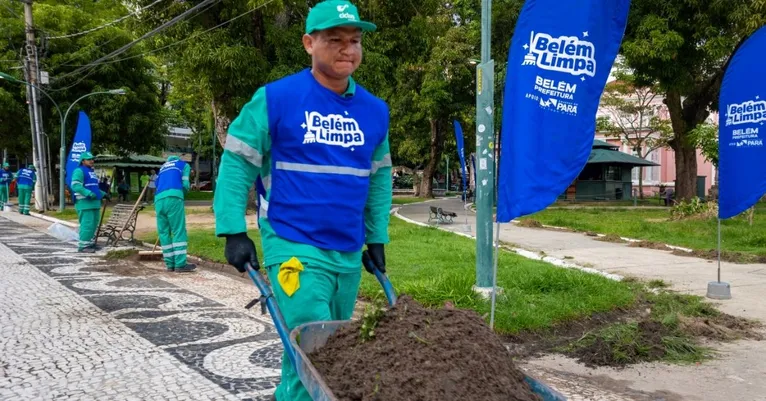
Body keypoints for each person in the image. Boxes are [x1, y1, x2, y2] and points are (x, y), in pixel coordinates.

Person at [213, 1, 391, 399]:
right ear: (309, 43)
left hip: (346, 249)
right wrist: (232, 229)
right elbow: (238, 162)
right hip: (293, 243)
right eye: (335, 40)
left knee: (322, 354)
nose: (348, 49)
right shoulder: (276, 98)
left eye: (355, 41)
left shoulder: (375, 112)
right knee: (316, 349)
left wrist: (376, 237)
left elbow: (378, 180)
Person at [155, 156, 196, 273]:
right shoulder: (183, 165)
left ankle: (170, 264)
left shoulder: (162, 167)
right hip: (173, 198)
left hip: (158, 200)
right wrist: (183, 193)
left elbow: (157, 184)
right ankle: (180, 264)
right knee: (178, 230)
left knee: (163, 233)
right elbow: (185, 184)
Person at [70, 152, 107, 252]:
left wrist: (103, 194)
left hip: (95, 203)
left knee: (94, 224)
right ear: (83, 161)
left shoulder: (92, 172)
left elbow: (94, 187)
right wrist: (88, 193)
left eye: (92, 159)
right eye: (89, 159)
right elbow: (75, 185)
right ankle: (83, 246)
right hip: (84, 202)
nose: (91, 161)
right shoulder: (79, 171)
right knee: (87, 224)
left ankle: (90, 243)